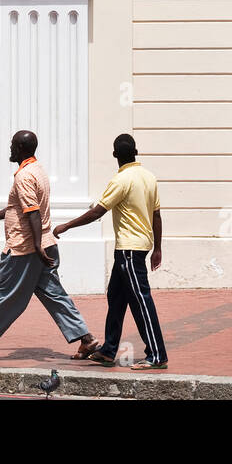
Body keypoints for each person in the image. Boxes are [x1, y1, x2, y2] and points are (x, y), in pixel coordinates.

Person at [0, 130, 99, 362]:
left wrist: (36, 247)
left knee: (5, 296)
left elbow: (33, 213)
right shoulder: (38, 171)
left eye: (13, 145)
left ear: (22, 149)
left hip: (24, 249)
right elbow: (16, 208)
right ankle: (86, 340)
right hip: (44, 245)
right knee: (54, 295)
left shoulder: (24, 176)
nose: (10, 148)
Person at [53, 133, 168, 369]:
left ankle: (157, 355)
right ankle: (108, 351)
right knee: (116, 297)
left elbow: (98, 212)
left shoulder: (121, 180)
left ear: (115, 155)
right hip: (138, 248)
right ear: (136, 152)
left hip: (129, 250)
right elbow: (156, 215)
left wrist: (67, 225)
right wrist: (158, 248)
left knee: (141, 301)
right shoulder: (149, 177)